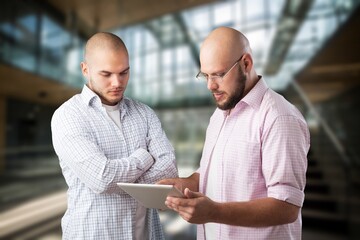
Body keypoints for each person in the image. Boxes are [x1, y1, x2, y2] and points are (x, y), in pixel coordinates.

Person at [158, 27, 310, 239]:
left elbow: (286, 206)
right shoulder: (220, 115)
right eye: (206, 75)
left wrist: (214, 212)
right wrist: (184, 184)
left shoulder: (279, 117)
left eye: (219, 74)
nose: (211, 85)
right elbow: (212, 174)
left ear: (246, 63)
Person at [51, 32, 178, 239]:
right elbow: (102, 179)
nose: (117, 82)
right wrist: (144, 157)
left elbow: (169, 167)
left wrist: (121, 179)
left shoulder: (144, 113)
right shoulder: (68, 116)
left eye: (124, 72)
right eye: (106, 74)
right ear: (85, 69)